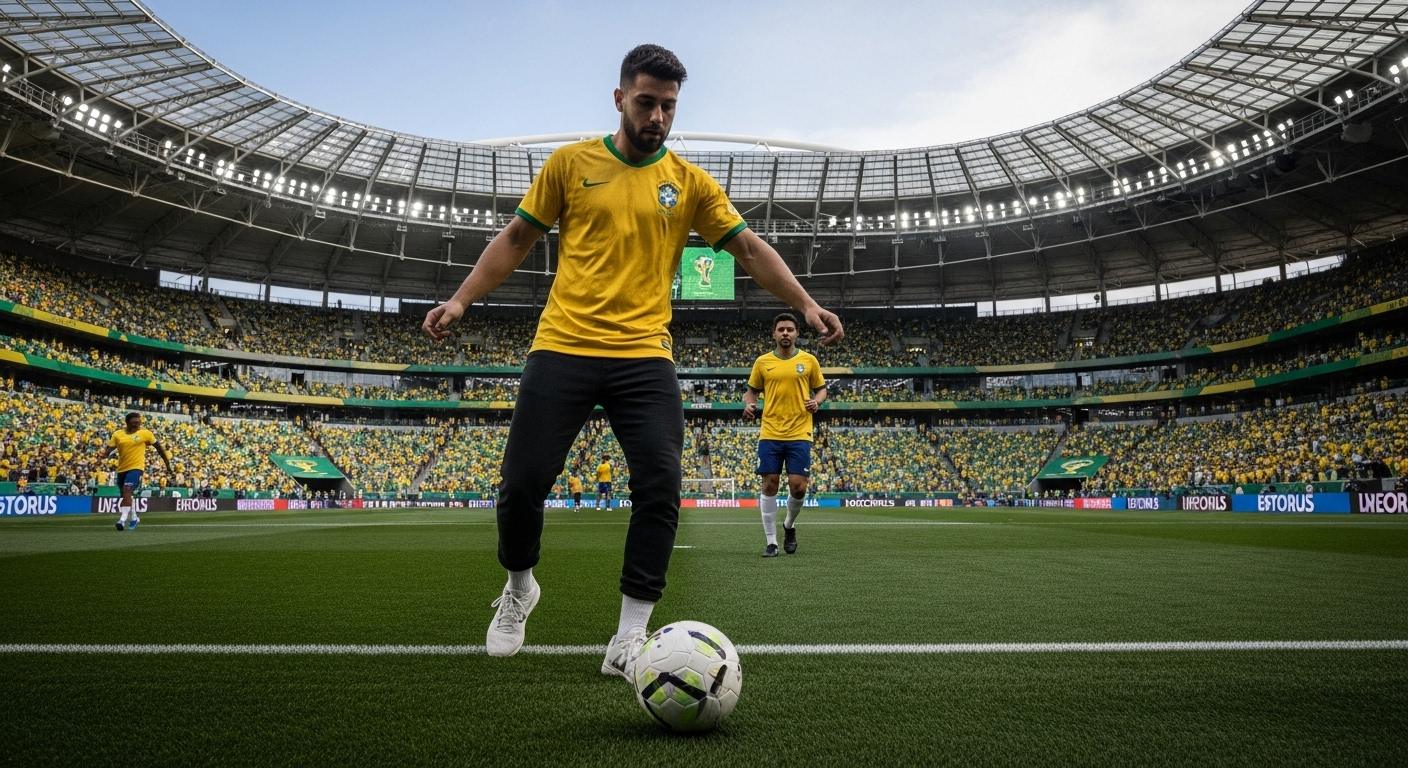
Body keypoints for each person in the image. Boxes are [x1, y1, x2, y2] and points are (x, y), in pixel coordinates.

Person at [422, 44, 843, 677]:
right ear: (620, 98)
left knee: (660, 485)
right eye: (646, 103)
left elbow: (750, 250)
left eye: (668, 106)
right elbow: (516, 238)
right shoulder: (570, 164)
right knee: (521, 484)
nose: (657, 117)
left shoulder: (691, 183)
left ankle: (628, 636)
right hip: (562, 345)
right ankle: (519, 588)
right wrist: (461, 301)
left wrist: (806, 305)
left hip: (645, 354)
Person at [744, 313, 827, 556]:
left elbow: (822, 389)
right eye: (781, 329)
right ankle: (772, 543)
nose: (785, 333)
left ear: (796, 333)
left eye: (790, 329)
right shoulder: (762, 362)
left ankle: (789, 525)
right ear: (774, 334)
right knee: (770, 482)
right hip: (770, 431)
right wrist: (749, 405)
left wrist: (817, 402)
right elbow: (751, 391)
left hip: (800, 431)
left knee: (798, 487)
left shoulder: (809, 360)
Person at [95, 411, 172, 531]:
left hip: (136, 468)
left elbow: (159, 448)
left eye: (138, 422)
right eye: (134, 422)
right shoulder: (118, 434)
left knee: (127, 489)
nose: (137, 424)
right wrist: (103, 456)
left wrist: (167, 463)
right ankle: (134, 517)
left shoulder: (145, 434)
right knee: (125, 495)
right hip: (122, 469)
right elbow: (109, 449)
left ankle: (122, 520)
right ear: (127, 423)